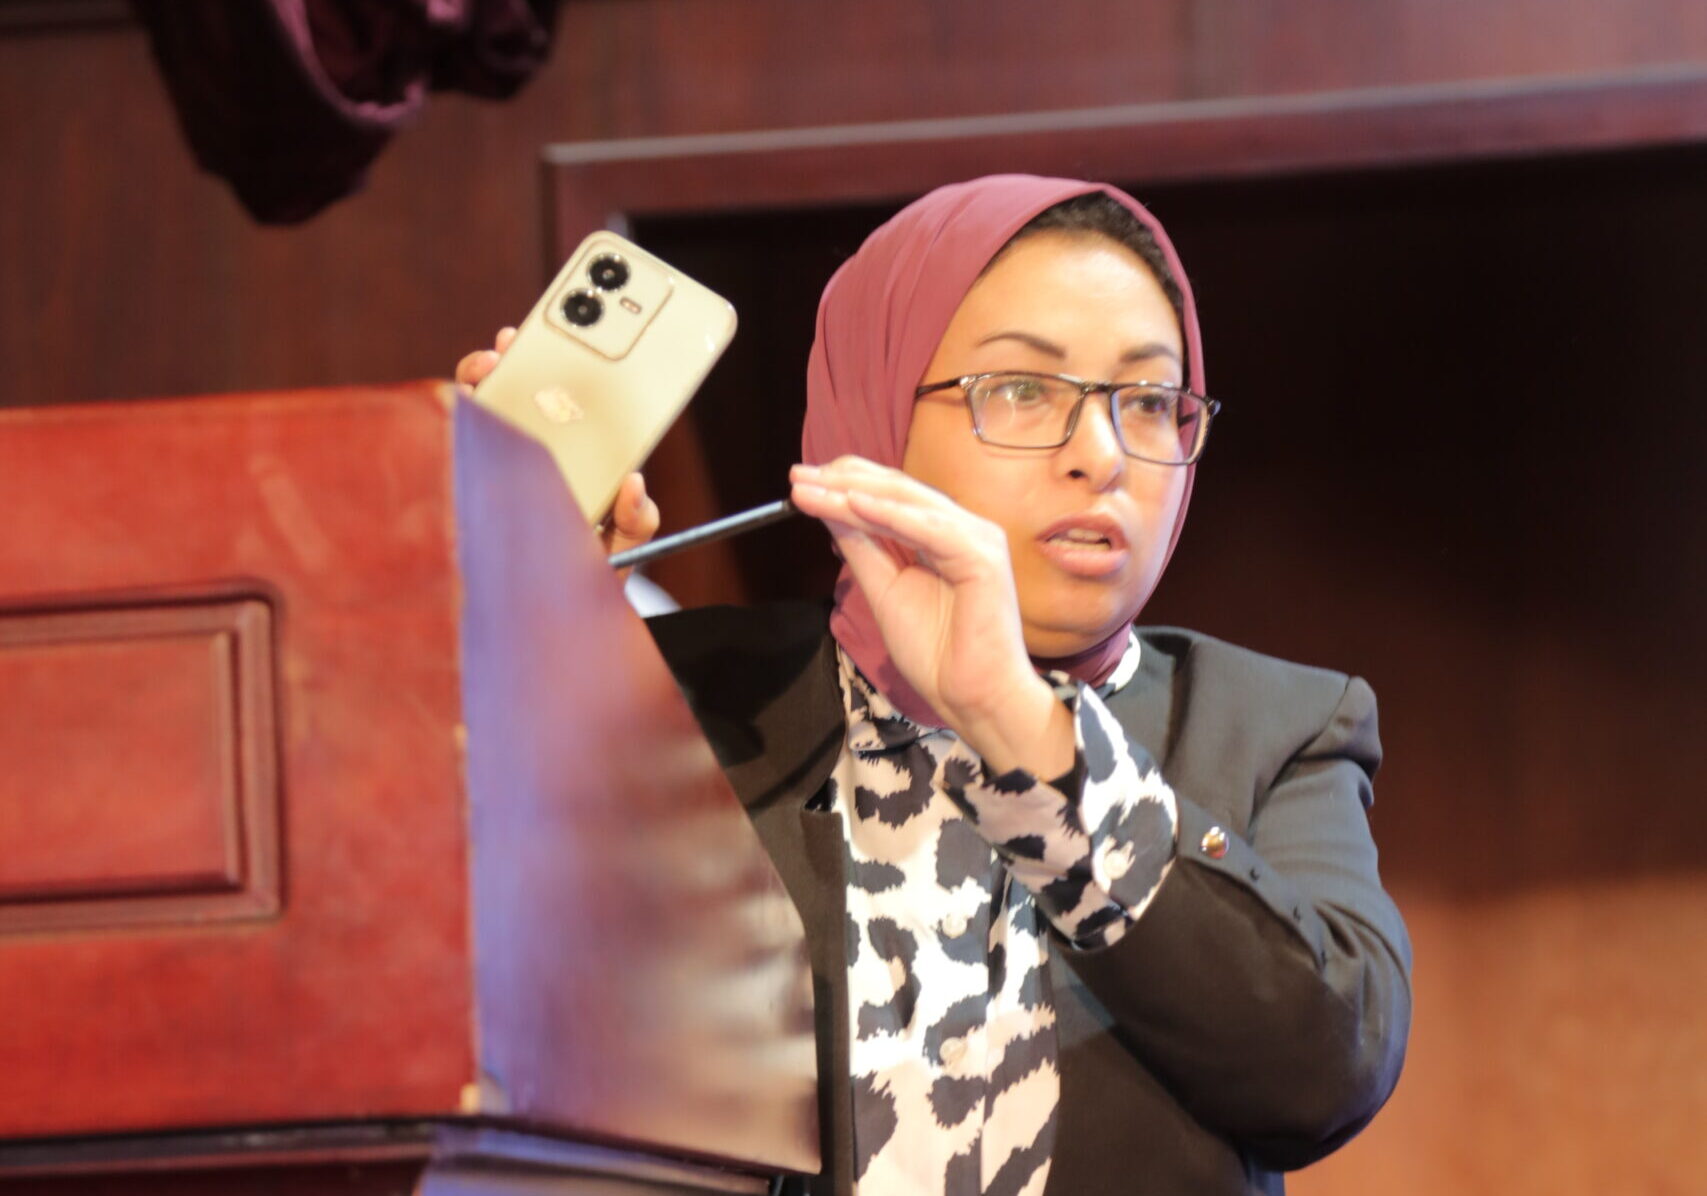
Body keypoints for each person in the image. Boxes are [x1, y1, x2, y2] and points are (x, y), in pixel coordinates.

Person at [457, 174, 1411, 1196]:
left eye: (1147, 402)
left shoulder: (1277, 725)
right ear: (872, 414)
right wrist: (508, 636)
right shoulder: (670, 697)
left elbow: (1327, 1070)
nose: (1103, 456)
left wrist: (1016, 722)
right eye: (1022, 390)